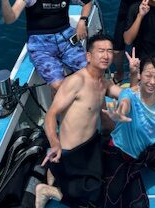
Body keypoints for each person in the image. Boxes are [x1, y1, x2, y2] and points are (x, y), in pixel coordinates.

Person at [35, 33, 139, 208]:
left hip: (91, 146)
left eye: (109, 51)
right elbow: (50, 115)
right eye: (101, 51)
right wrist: (54, 143)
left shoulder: (104, 83)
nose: (106, 55)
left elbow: (128, 95)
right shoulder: (76, 81)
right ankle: (47, 190)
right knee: (93, 201)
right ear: (88, 56)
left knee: (112, 183)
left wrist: (134, 74)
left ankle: (56, 177)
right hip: (70, 153)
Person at [103, 57, 155, 208]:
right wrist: (119, 114)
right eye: (148, 75)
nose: (153, 81)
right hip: (124, 156)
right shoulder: (129, 95)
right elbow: (125, 103)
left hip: (149, 147)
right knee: (137, 205)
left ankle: (150, 163)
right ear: (139, 75)